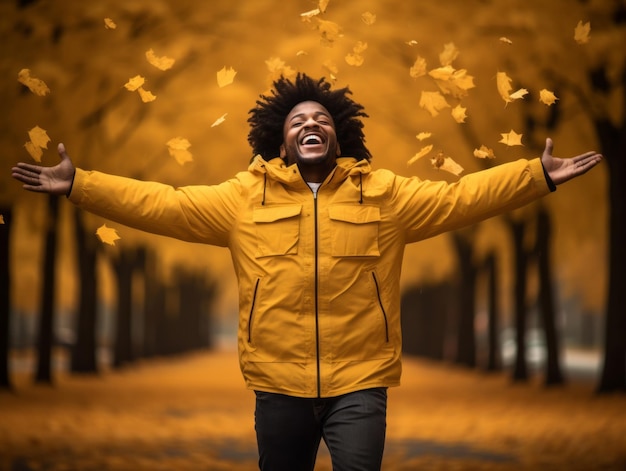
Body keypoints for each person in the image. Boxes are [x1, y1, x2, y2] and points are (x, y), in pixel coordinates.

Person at [12, 73, 602, 471]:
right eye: (297, 121)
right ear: (282, 141)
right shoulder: (242, 200)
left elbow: (461, 198)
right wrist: (80, 185)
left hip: (360, 382)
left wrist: (536, 175)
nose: (309, 123)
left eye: (320, 117)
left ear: (338, 135)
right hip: (277, 385)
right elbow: (164, 203)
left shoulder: (385, 195)